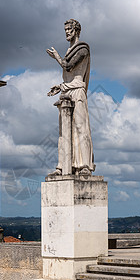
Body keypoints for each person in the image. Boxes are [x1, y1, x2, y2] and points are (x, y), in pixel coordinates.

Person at [47, 19, 95, 175]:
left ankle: (84, 166)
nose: (67, 32)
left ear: (77, 31)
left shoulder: (83, 49)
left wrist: (57, 57)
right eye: (65, 29)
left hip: (78, 91)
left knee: (81, 128)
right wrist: (60, 86)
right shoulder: (70, 51)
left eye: (69, 29)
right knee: (63, 132)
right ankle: (62, 166)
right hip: (66, 91)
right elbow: (68, 76)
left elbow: (68, 66)